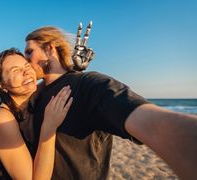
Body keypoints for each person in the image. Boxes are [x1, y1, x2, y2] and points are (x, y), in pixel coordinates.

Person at [22, 26, 197, 180]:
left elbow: (152, 124)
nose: (25, 60)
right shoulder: (35, 94)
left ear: (50, 49)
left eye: (29, 52)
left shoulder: (89, 84)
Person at [0, 48, 73, 179]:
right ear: (2, 85)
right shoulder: (2, 119)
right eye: (15, 70)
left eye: (27, 66)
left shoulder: (32, 104)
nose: (26, 72)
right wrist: (49, 128)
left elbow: (53, 79)